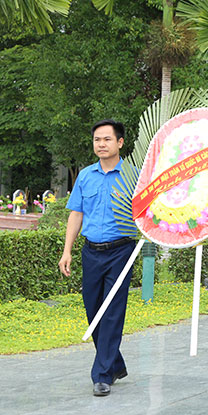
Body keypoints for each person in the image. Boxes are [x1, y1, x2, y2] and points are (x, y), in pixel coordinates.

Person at [59, 120, 135, 397]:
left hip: (121, 251)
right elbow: (76, 213)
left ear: (120, 143)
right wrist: (67, 250)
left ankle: (102, 375)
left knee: (112, 312)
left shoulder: (133, 176)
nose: (101, 144)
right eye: (97, 140)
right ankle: (114, 363)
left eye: (106, 139)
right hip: (91, 251)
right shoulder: (86, 176)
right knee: (93, 311)